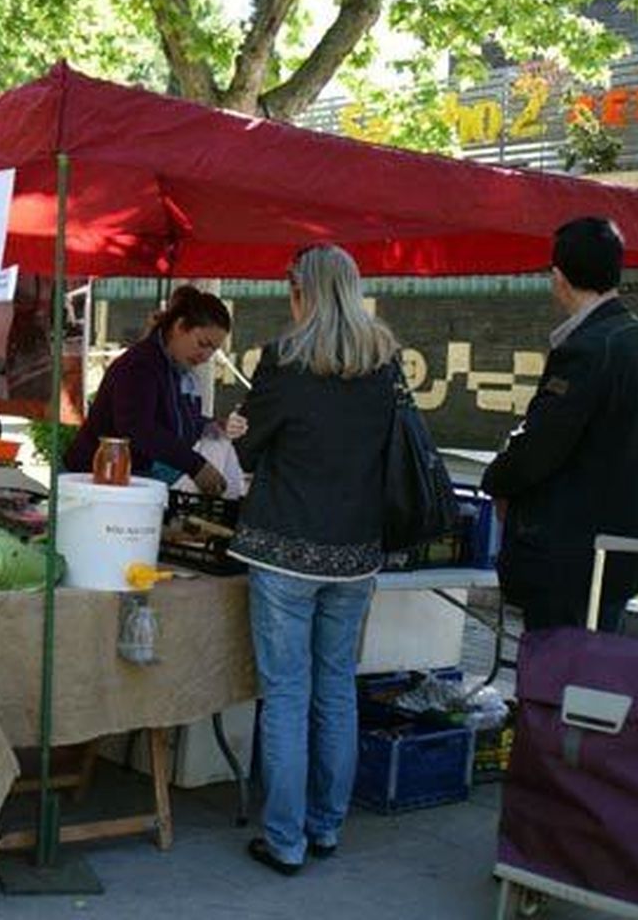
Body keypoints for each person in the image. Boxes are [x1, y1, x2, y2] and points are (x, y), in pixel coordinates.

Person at [227, 244, 398, 875]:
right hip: (357, 553)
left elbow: (247, 452)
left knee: (287, 697)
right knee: (336, 693)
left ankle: (285, 839)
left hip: (284, 551)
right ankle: (325, 828)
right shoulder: (385, 362)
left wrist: (243, 431)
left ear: (300, 291)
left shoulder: (285, 358)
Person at [482, 217, 638, 633]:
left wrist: (496, 479)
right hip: (624, 548)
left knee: (559, 681)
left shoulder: (589, 348)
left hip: (572, 553)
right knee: (595, 679)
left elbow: (542, 446)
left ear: (559, 276)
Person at [63, 285, 236, 494]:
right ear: (180, 327)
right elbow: (137, 427)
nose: (206, 356)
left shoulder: (176, 369)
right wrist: (196, 466)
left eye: (213, 350)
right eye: (202, 343)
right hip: (94, 479)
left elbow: (178, 422)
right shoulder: (140, 365)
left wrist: (211, 425)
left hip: (130, 478)